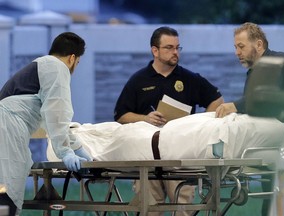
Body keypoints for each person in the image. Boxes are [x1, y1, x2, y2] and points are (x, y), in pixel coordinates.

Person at [114, 26, 224, 216]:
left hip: (181, 154)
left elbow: (217, 100)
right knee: (148, 210)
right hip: (146, 155)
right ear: (154, 50)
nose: (175, 53)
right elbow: (121, 116)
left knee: (182, 209)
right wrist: (144, 118)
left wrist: (199, 124)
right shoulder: (138, 80)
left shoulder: (189, 78)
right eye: (169, 47)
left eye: (178, 48)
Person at [0, 32, 92, 216]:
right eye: (78, 63)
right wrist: (65, 152)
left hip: (7, 124)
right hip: (7, 126)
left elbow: (54, 122)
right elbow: (57, 113)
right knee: (7, 186)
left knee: (8, 182)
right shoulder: (57, 67)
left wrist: (80, 150)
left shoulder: (43, 67)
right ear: (72, 58)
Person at [215, 22, 284, 216]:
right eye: (235, 47)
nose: (237, 52)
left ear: (258, 44)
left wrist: (236, 106)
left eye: (241, 46)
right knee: (271, 197)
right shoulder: (255, 71)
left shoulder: (280, 63)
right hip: (270, 143)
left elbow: (269, 99)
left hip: (283, 146)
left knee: (278, 197)